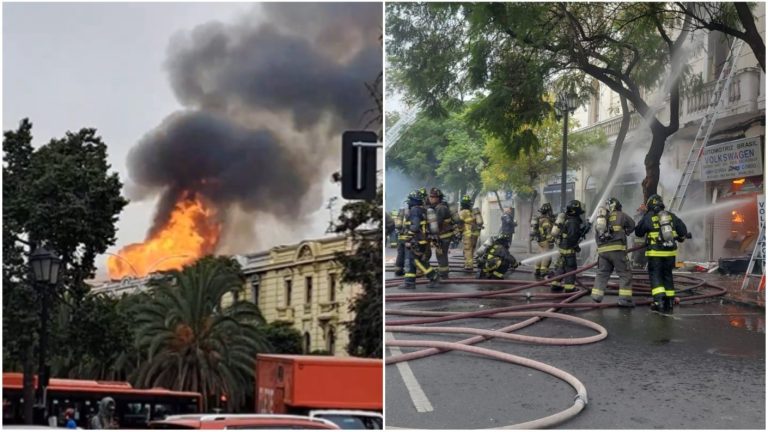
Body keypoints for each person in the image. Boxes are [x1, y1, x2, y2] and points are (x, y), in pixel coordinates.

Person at [635, 194, 689, 313]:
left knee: (656, 276)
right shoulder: (670, 216)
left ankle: (658, 301)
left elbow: (638, 232)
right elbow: (683, 231)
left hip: (655, 253)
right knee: (667, 275)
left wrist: (644, 216)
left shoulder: (648, 217)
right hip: (670, 254)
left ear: (649, 205)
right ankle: (669, 301)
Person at [591, 198, 637, 307]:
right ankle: (625, 300)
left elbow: (596, 236)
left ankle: (596, 296)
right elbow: (632, 225)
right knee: (624, 274)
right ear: (618, 206)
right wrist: (626, 231)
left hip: (602, 252)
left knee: (602, 273)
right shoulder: (620, 215)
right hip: (617, 250)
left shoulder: (601, 219)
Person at [550, 200, 590, 293]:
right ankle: (569, 288)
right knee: (571, 268)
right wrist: (576, 246)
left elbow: (571, 233)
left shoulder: (568, 219)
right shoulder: (573, 221)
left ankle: (555, 284)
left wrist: (583, 230)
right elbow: (572, 236)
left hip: (563, 247)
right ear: (576, 210)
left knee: (561, 266)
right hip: (568, 248)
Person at [402, 190, 439, 288]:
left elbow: (415, 226)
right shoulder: (422, 209)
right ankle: (409, 282)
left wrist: (408, 238)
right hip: (420, 240)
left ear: (414, 200)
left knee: (417, 261)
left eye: (410, 200)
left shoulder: (415, 210)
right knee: (410, 261)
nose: (408, 202)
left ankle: (433, 277)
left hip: (416, 240)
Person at [427, 188, 455, 279]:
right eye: (430, 196)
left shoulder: (440, 208)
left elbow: (437, 222)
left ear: (438, 198)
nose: (431, 198)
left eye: (433, 197)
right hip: (444, 235)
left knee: (441, 254)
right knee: (442, 254)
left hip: (444, 235)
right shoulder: (439, 207)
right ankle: (443, 271)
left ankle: (443, 273)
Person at [458, 194, 483, 272]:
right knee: (472, 249)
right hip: (475, 233)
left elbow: (459, 222)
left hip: (468, 233)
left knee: (467, 249)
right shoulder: (473, 212)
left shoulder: (463, 212)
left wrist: (458, 231)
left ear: (462, 204)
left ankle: (469, 265)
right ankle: (468, 263)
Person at [531, 203, 556, 279]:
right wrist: (551, 240)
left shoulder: (539, 218)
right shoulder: (546, 220)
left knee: (540, 254)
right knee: (546, 255)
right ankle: (543, 271)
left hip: (539, 240)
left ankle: (537, 269)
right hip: (545, 241)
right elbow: (547, 232)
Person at [393, 201, 408, 276]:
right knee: (409, 255)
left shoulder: (401, 212)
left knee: (400, 254)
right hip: (408, 237)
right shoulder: (411, 211)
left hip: (400, 237)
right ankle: (410, 271)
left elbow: (398, 226)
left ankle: (398, 270)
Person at [632, 204, 649, 269]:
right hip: (641, 243)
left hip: (638, 243)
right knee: (638, 258)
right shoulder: (645, 217)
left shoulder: (636, 217)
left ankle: (636, 265)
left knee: (636, 257)